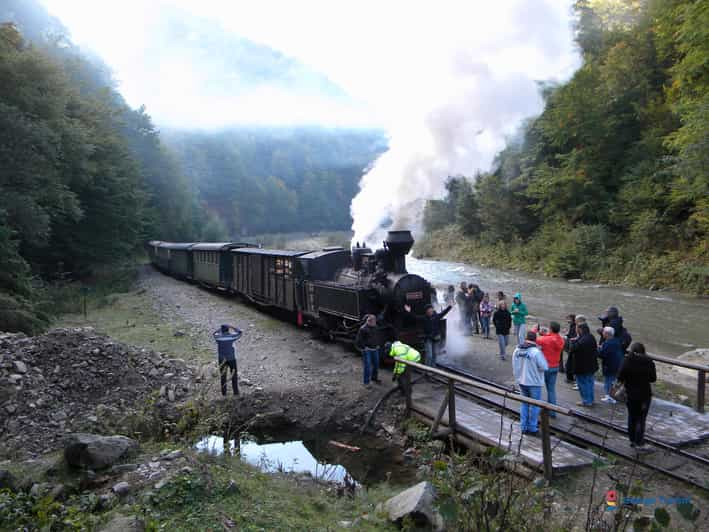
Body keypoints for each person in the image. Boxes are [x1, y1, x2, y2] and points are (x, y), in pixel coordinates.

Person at [617, 342, 657, 450]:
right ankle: (639, 441)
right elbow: (653, 378)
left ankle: (632, 439)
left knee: (632, 416)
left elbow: (620, 377)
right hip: (644, 395)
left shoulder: (627, 361)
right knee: (641, 418)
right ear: (643, 350)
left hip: (630, 393)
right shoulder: (649, 362)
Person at [512, 331, 549, 436]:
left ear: (526, 338)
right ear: (535, 340)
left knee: (524, 404)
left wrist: (517, 378)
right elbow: (544, 367)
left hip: (521, 381)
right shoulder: (536, 352)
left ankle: (523, 427)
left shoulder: (517, 350)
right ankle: (533, 428)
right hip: (534, 382)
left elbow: (514, 365)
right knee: (535, 405)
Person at [535, 321, 565, 415]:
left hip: (544, 367)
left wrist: (535, 329)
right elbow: (552, 339)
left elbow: (533, 339)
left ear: (551, 329)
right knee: (551, 389)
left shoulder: (545, 339)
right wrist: (546, 334)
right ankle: (553, 411)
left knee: (537, 387)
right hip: (555, 367)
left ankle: (536, 409)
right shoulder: (560, 339)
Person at [570, 323, 598, 407]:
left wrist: (572, 341)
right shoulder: (591, 337)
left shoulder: (582, 341)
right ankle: (591, 400)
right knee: (590, 383)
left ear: (580, 330)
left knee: (582, 384)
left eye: (577, 329)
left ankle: (586, 401)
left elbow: (573, 349)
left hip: (582, 366)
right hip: (591, 364)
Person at [213, 324, 243, 396]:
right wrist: (232, 326)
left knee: (223, 376)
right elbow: (240, 332)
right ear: (228, 329)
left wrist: (219, 329)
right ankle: (235, 393)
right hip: (231, 359)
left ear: (222, 330)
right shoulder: (232, 336)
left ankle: (224, 394)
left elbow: (214, 334)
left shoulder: (218, 337)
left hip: (222, 359)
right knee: (234, 375)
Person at [598, 326, 624, 403]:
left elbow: (602, 354)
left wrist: (598, 349)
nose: (602, 333)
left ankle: (609, 396)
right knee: (612, 381)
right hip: (618, 364)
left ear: (606, 334)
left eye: (603, 332)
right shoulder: (616, 341)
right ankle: (612, 396)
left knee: (608, 381)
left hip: (610, 365)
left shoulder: (608, 343)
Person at [355, 314, 382, 386]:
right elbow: (358, 340)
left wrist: (378, 344)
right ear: (369, 322)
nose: (375, 323)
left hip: (375, 348)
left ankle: (374, 378)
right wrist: (364, 347)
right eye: (373, 322)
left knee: (376, 364)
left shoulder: (376, 327)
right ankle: (366, 383)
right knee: (367, 366)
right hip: (367, 350)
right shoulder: (363, 329)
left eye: (375, 322)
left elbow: (377, 336)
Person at [564, 314, 577, 385]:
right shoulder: (573, 326)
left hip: (572, 347)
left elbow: (572, 336)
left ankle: (570, 378)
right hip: (571, 347)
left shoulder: (574, 327)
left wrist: (567, 335)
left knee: (570, 363)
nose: (568, 321)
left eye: (569, 319)